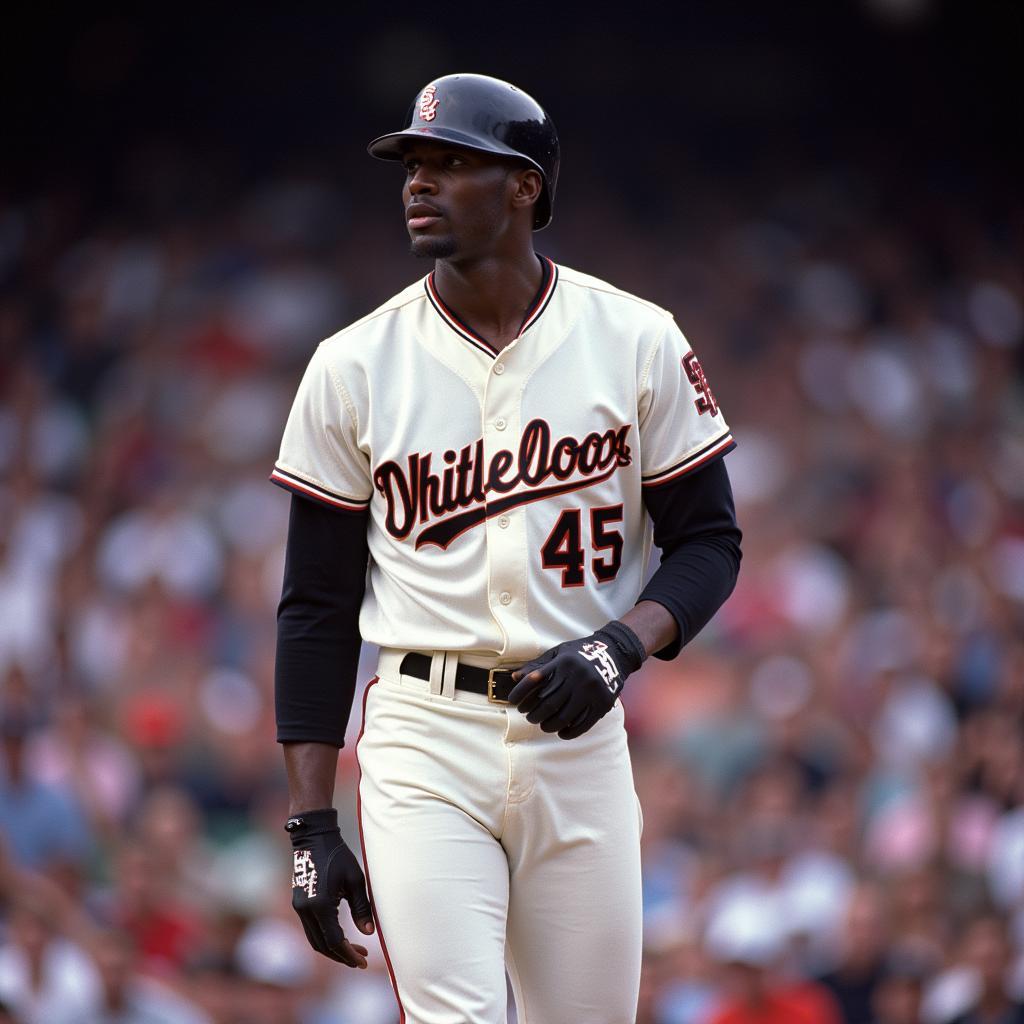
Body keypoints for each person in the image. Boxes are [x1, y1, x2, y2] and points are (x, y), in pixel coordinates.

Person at [271, 72, 742, 1024]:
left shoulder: (636, 338)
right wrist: (310, 823)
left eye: (451, 163)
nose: (419, 183)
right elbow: (315, 607)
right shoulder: (354, 363)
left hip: (579, 741)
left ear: (525, 185)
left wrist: (622, 645)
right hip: (423, 736)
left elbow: (711, 544)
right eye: (412, 164)